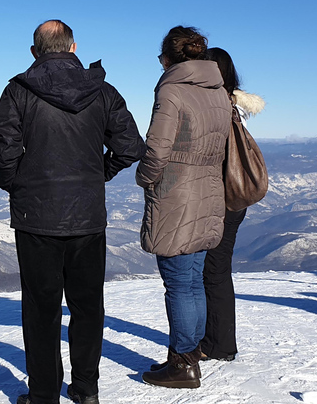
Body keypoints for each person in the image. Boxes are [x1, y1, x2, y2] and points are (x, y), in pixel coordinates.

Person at [0, 20, 145, 404]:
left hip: (36, 219)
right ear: (73, 48)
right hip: (87, 216)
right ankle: (86, 389)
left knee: (41, 310)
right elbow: (130, 147)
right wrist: (98, 175)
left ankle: (43, 395)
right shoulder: (103, 92)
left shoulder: (18, 92)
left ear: (34, 52)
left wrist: (21, 186)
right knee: (88, 307)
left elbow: (3, 154)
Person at [135, 26, 231, 389]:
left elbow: (157, 147)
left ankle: (182, 363)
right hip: (209, 190)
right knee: (192, 281)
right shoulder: (218, 91)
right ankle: (190, 355)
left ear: (169, 58)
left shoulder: (172, 90)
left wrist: (145, 177)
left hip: (176, 193)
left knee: (177, 283)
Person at [199, 47, 265, 362]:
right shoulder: (235, 105)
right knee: (217, 269)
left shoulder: (216, 106)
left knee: (213, 271)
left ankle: (219, 343)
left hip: (220, 198)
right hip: (235, 199)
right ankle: (216, 339)